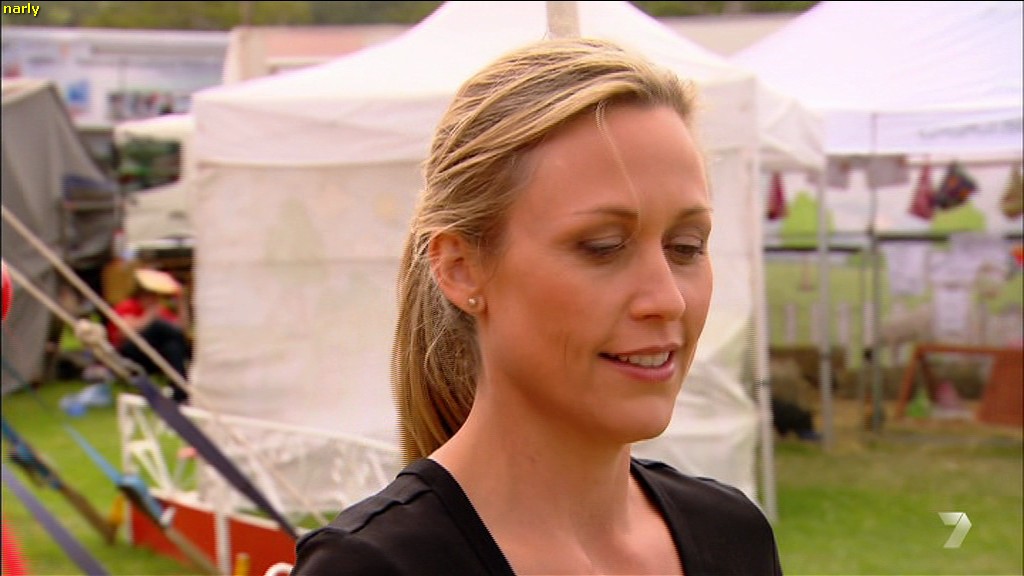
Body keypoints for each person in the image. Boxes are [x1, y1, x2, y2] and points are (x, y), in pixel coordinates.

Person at [293, 37, 781, 575]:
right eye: (602, 246)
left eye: (685, 247)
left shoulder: (732, 535)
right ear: (460, 267)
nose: (667, 298)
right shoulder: (378, 567)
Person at [107, 268, 191, 403]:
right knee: (159, 326)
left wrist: (182, 301)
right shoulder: (128, 306)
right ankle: (190, 352)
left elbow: (181, 328)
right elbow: (125, 332)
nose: (154, 299)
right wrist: (150, 316)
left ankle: (180, 393)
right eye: (150, 295)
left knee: (173, 347)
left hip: (154, 356)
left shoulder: (160, 310)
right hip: (130, 353)